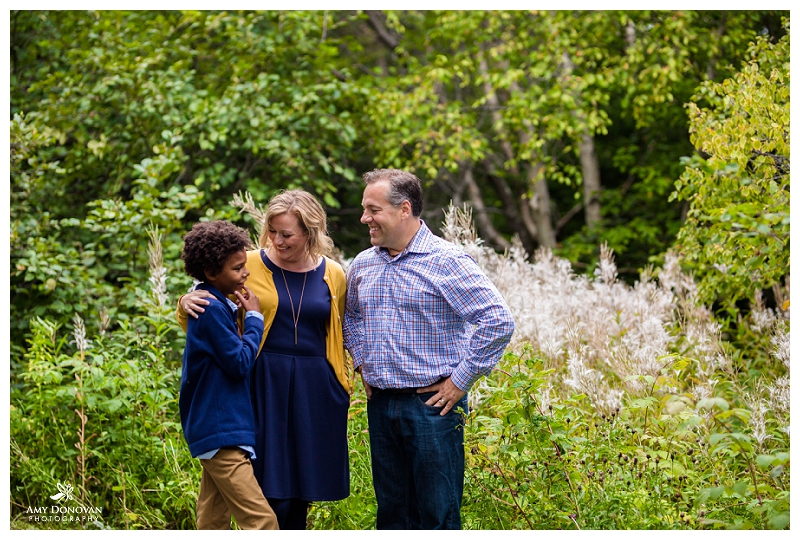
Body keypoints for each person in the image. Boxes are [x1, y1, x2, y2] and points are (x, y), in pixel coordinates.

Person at [343, 168, 515, 530]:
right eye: (364, 209)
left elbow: (497, 321)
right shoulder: (363, 264)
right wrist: (361, 363)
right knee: (392, 514)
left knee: (438, 514)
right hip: (381, 405)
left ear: (404, 209)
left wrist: (460, 381)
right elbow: (351, 317)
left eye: (373, 210)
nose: (364, 218)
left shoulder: (447, 261)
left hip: (432, 407)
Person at [176, 190, 351, 530]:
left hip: (315, 388)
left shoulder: (334, 274)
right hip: (262, 381)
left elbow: (342, 328)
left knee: (302, 490)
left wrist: (346, 379)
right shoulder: (248, 263)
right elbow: (208, 304)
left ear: (310, 233)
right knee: (268, 488)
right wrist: (184, 301)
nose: (277, 240)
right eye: (273, 231)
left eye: (286, 234)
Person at [178, 220, 279, 530]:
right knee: (262, 521)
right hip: (220, 430)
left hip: (214, 428)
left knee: (212, 519)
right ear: (211, 273)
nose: (245, 272)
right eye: (237, 268)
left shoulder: (216, 302)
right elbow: (238, 362)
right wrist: (255, 319)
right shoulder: (209, 308)